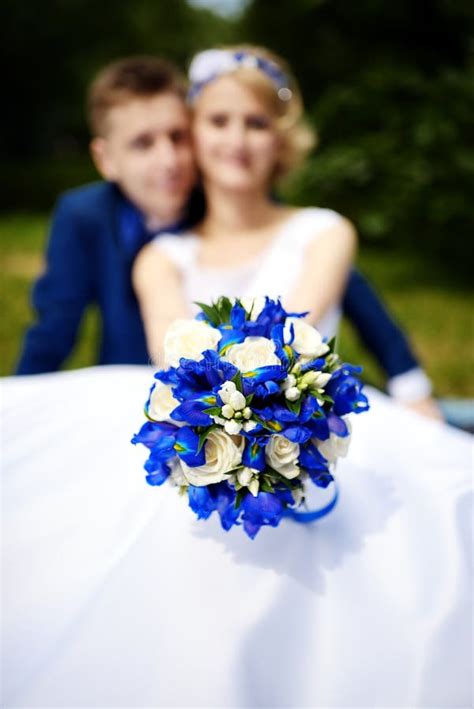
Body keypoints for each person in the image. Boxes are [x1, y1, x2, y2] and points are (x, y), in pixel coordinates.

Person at [2, 45, 471, 707]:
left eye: (256, 123)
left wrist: (410, 387)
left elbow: (311, 332)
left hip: (311, 425)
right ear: (197, 133)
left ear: (280, 139)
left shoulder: (324, 231)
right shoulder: (160, 256)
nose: (236, 140)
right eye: (218, 122)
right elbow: (171, 351)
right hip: (205, 428)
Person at [14, 58, 439, 420]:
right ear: (106, 158)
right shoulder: (85, 215)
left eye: (177, 137)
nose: (169, 160)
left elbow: (339, 279)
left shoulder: (229, 198)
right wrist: (16, 408)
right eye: (143, 144)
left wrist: (409, 381)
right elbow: (53, 330)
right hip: (135, 394)